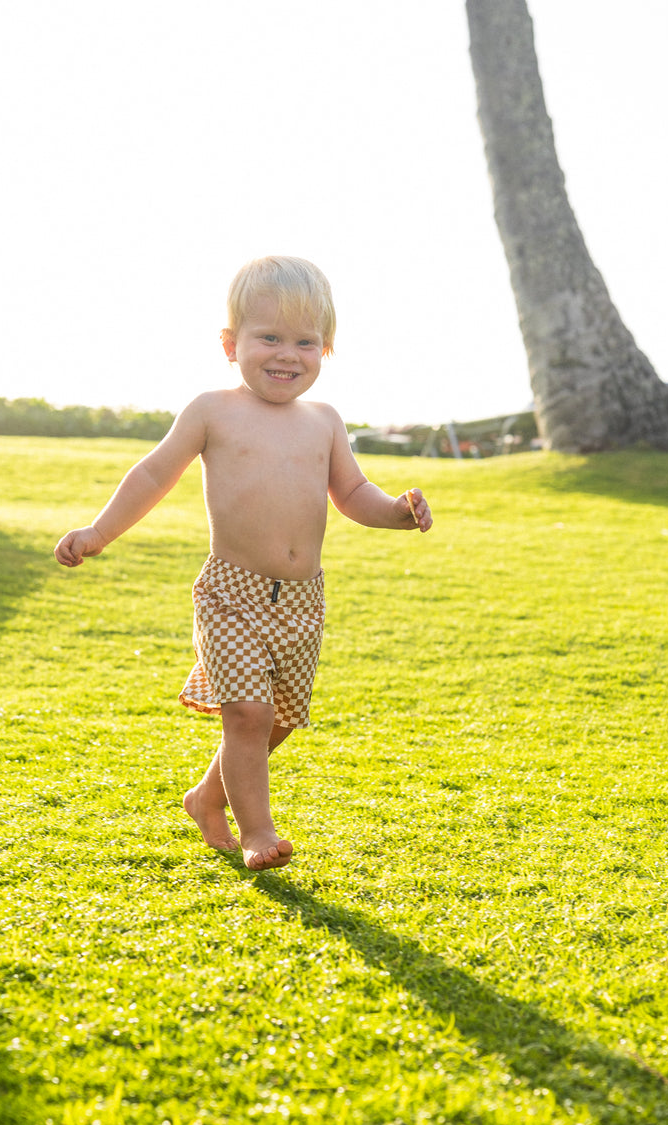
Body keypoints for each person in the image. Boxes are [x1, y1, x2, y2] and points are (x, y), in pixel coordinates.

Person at [54, 256, 432, 871]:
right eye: (269, 337)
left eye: (305, 341)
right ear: (231, 344)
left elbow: (354, 495)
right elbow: (154, 473)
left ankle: (207, 797)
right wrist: (99, 531)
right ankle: (258, 831)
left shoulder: (324, 422)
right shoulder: (212, 411)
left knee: (278, 718)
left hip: (303, 598)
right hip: (231, 592)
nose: (288, 354)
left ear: (326, 350)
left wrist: (397, 511)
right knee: (248, 714)